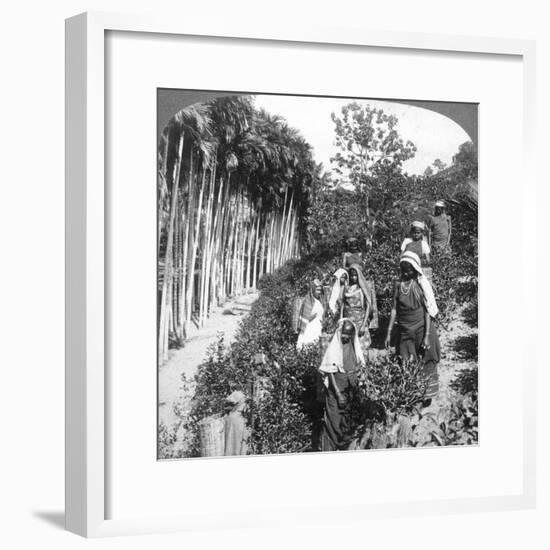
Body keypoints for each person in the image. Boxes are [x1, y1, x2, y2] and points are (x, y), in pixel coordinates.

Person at [384, 251, 440, 401]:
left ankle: (427, 395)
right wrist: (389, 332)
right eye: (403, 269)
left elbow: (428, 310)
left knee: (425, 360)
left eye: (409, 270)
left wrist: (427, 336)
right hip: (404, 329)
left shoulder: (420, 284)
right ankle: (413, 395)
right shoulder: (398, 284)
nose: (406, 273)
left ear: (415, 269)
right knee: (407, 361)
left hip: (422, 328)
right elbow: (394, 308)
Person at [318, 319, 365, 451]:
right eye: (344, 333)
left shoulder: (353, 346)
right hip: (337, 390)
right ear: (339, 332)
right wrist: (338, 394)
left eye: (349, 334)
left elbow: (360, 365)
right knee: (334, 422)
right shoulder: (335, 348)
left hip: (351, 388)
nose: (346, 337)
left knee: (348, 421)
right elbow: (330, 372)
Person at [341, 264, 378, 355]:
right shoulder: (346, 288)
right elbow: (343, 304)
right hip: (348, 323)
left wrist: (363, 325)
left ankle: (362, 368)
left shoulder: (362, 289)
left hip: (360, 321)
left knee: (361, 349)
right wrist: (341, 320)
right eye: (351, 275)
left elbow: (368, 306)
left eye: (355, 275)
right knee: (348, 347)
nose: (353, 278)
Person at [296, 278, 325, 350]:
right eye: (317, 290)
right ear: (313, 289)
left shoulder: (320, 301)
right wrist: (313, 316)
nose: (319, 292)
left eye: (320, 290)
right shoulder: (308, 300)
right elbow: (305, 317)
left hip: (318, 328)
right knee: (308, 346)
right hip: (309, 329)